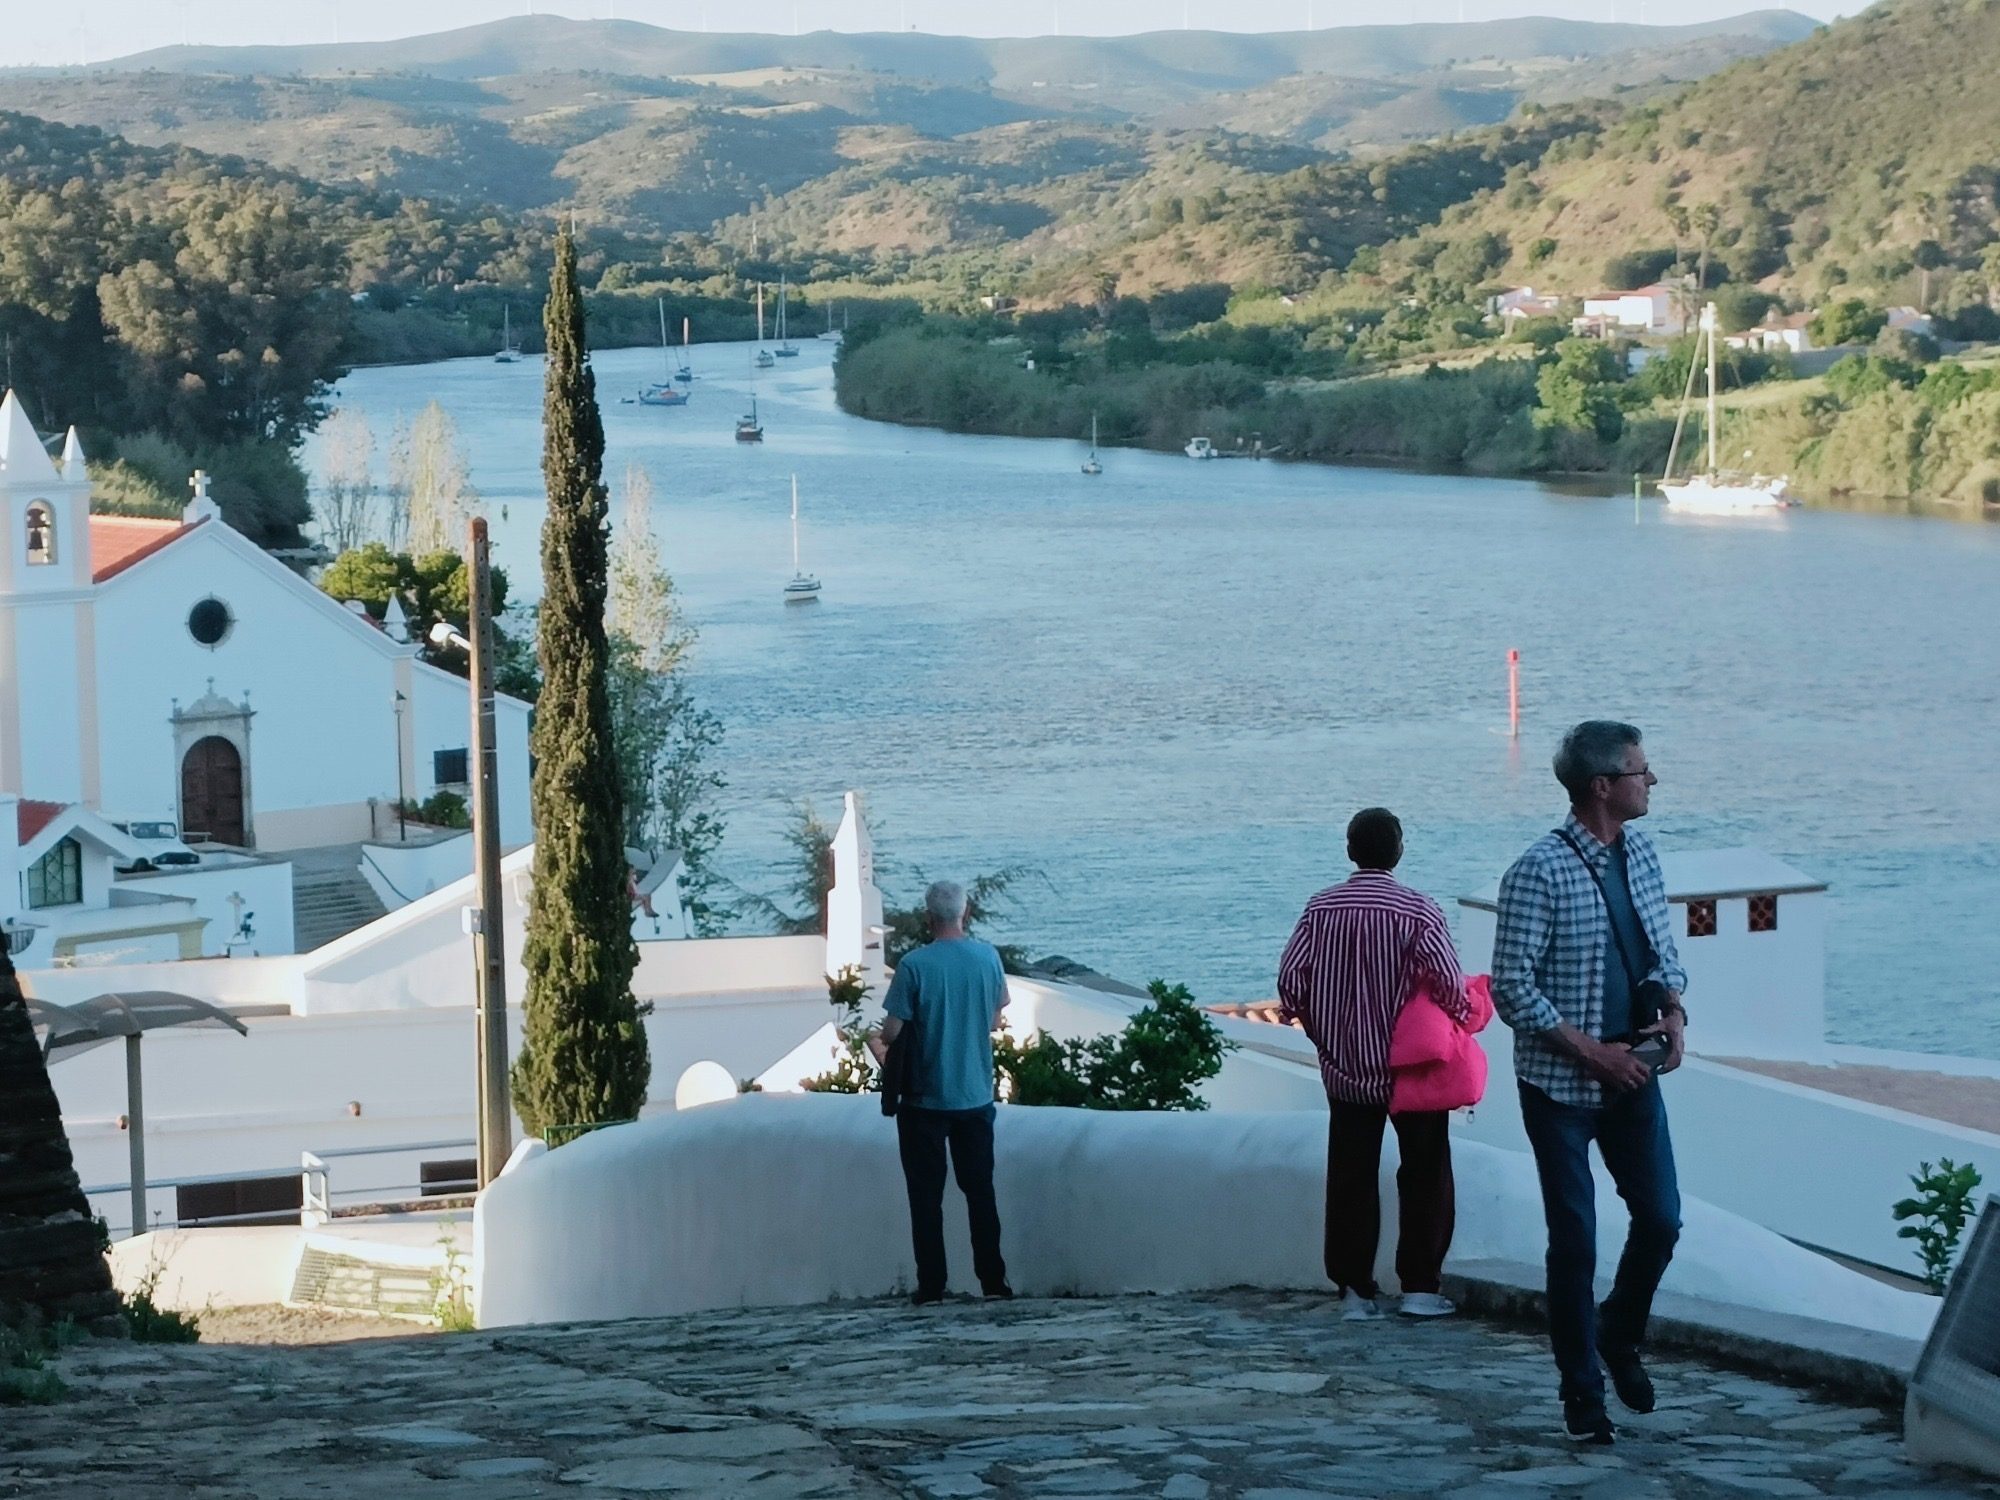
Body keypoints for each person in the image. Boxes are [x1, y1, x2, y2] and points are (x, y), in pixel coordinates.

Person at [1491, 720, 1690, 1446]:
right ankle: (1582, 1393)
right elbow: (1510, 990)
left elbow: (1661, 947)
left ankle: (1618, 1333)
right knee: (1574, 1240)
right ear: (1602, 786)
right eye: (1641, 769)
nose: (1652, 780)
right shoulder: (1537, 872)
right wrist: (1592, 1054)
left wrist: (1671, 1008)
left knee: (1663, 1219)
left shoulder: (1641, 853)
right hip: (1559, 1089)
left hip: (1635, 1073)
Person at [1277, 808, 1470, 1323]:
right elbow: (1450, 984)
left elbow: (1291, 983)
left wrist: (1324, 1034)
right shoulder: (1418, 911)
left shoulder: (1321, 909)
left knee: (1350, 1176)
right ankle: (1421, 1287)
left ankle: (1355, 1290)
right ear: (1399, 850)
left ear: (1349, 850)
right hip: (1412, 1070)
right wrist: (1465, 1017)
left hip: (1344, 1071)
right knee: (1426, 1171)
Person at [878, 880, 1012, 1305]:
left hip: (924, 1100)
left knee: (926, 1197)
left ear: (927, 917)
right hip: (975, 1095)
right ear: (965, 913)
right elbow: (994, 1019)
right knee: (981, 1192)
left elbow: (892, 1031)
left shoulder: (914, 966)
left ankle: (932, 1285)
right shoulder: (987, 958)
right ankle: (993, 1281)